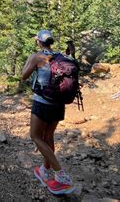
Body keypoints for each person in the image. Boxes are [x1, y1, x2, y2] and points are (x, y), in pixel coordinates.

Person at [21, 30, 75, 195]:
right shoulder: (60, 56)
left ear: (39, 42)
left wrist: (30, 61)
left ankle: (61, 175)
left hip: (42, 103)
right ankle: (45, 169)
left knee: (35, 136)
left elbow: (24, 76)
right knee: (48, 136)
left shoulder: (37, 57)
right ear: (51, 42)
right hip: (58, 104)